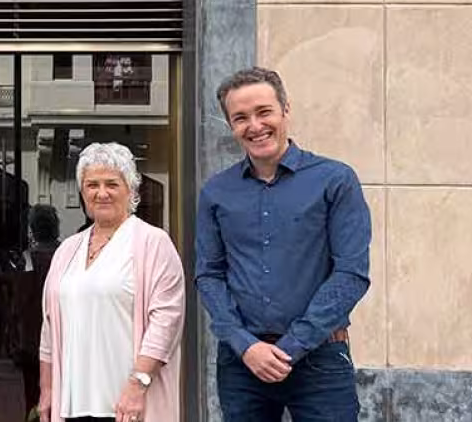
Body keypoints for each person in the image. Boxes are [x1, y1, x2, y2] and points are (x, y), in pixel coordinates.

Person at [196, 67, 371, 421]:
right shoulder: (216, 192)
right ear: (231, 125)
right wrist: (246, 346)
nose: (255, 126)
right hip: (242, 363)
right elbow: (209, 274)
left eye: (264, 112)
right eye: (241, 117)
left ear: (285, 110)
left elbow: (351, 273)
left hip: (320, 358)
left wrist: (292, 346)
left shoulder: (335, 180)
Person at [39, 142, 186, 422]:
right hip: (73, 404)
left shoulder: (153, 243)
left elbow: (166, 321)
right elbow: (49, 329)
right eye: (92, 184)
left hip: (129, 405)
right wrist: (47, 390)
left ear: (130, 190)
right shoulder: (67, 250)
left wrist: (137, 385)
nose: (101, 193)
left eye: (112, 184)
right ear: (82, 192)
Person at [11, 204, 60, 417]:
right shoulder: (66, 253)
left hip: (32, 337)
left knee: (32, 394)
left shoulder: (28, 258)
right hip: (61, 335)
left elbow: (20, 301)